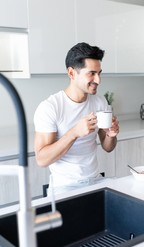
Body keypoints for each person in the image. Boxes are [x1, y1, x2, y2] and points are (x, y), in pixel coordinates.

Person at [33, 42, 119, 190]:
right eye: (91, 73)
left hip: (95, 180)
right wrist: (74, 133)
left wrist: (111, 135)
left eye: (99, 73)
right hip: (64, 187)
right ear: (72, 73)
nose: (98, 80)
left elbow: (108, 147)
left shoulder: (99, 102)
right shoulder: (50, 107)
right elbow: (42, 159)